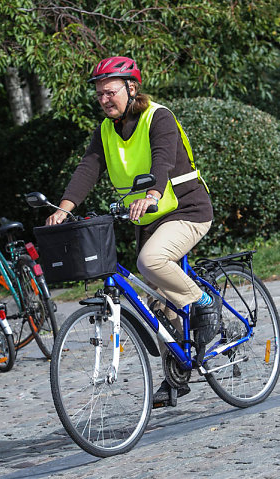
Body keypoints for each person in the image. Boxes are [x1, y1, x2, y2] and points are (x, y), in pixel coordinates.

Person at [46, 56, 220, 405]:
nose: (104, 99)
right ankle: (177, 375)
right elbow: (88, 169)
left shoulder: (159, 117)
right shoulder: (105, 131)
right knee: (152, 305)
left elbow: (163, 159)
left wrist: (153, 192)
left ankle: (204, 302)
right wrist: (63, 209)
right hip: (148, 220)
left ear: (131, 88)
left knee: (151, 261)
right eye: (99, 94)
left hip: (187, 209)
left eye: (110, 92)